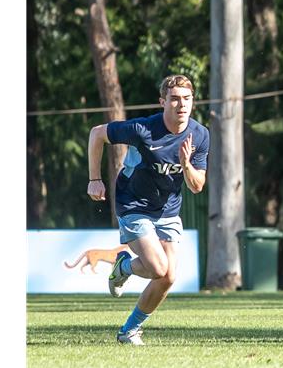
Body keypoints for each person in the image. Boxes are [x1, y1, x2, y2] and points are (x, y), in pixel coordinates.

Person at [87, 74, 209, 345]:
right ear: (162, 101)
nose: (181, 105)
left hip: (168, 208)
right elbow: (97, 134)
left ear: (193, 102)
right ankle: (126, 266)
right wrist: (95, 179)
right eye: (175, 99)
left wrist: (186, 165)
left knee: (168, 276)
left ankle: (129, 329)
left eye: (187, 99)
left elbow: (197, 185)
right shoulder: (143, 129)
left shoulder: (200, 135)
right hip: (133, 203)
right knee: (157, 266)